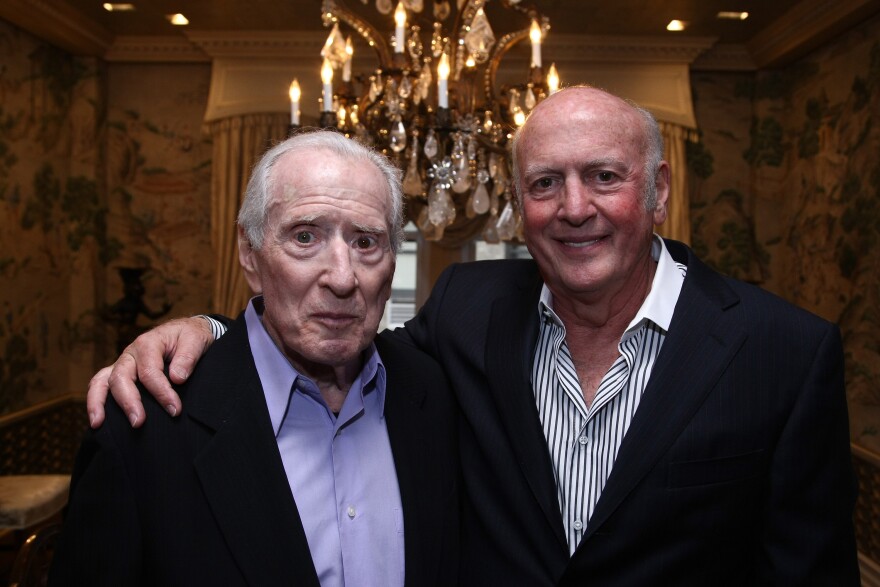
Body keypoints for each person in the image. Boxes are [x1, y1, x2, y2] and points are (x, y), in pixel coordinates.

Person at [85, 86, 860, 585]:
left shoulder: (783, 353)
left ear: (658, 190)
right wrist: (209, 328)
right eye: (544, 183)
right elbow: (328, 333)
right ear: (519, 208)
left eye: (605, 176)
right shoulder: (468, 313)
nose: (574, 207)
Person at [51, 131, 460, 586]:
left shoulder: (432, 391)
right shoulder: (143, 426)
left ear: (391, 263)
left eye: (366, 243)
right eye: (306, 237)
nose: (343, 278)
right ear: (250, 254)